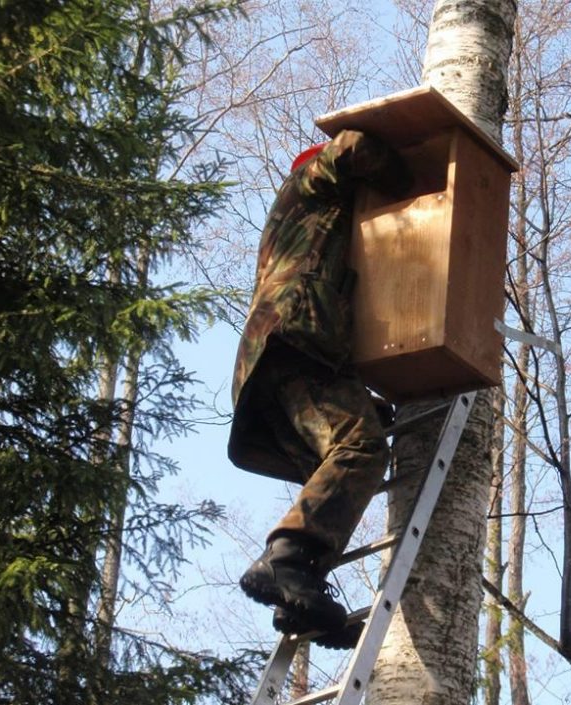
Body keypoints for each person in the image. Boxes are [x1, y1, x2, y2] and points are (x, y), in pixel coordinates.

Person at [227, 130, 411, 648]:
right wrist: (412, 183)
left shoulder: (308, 228)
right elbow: (355, 144)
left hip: (281, 353)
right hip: (297, 339)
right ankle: (287, 559)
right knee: (361, 446)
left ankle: (295, 597)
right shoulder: (309, 184)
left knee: (341, 459)